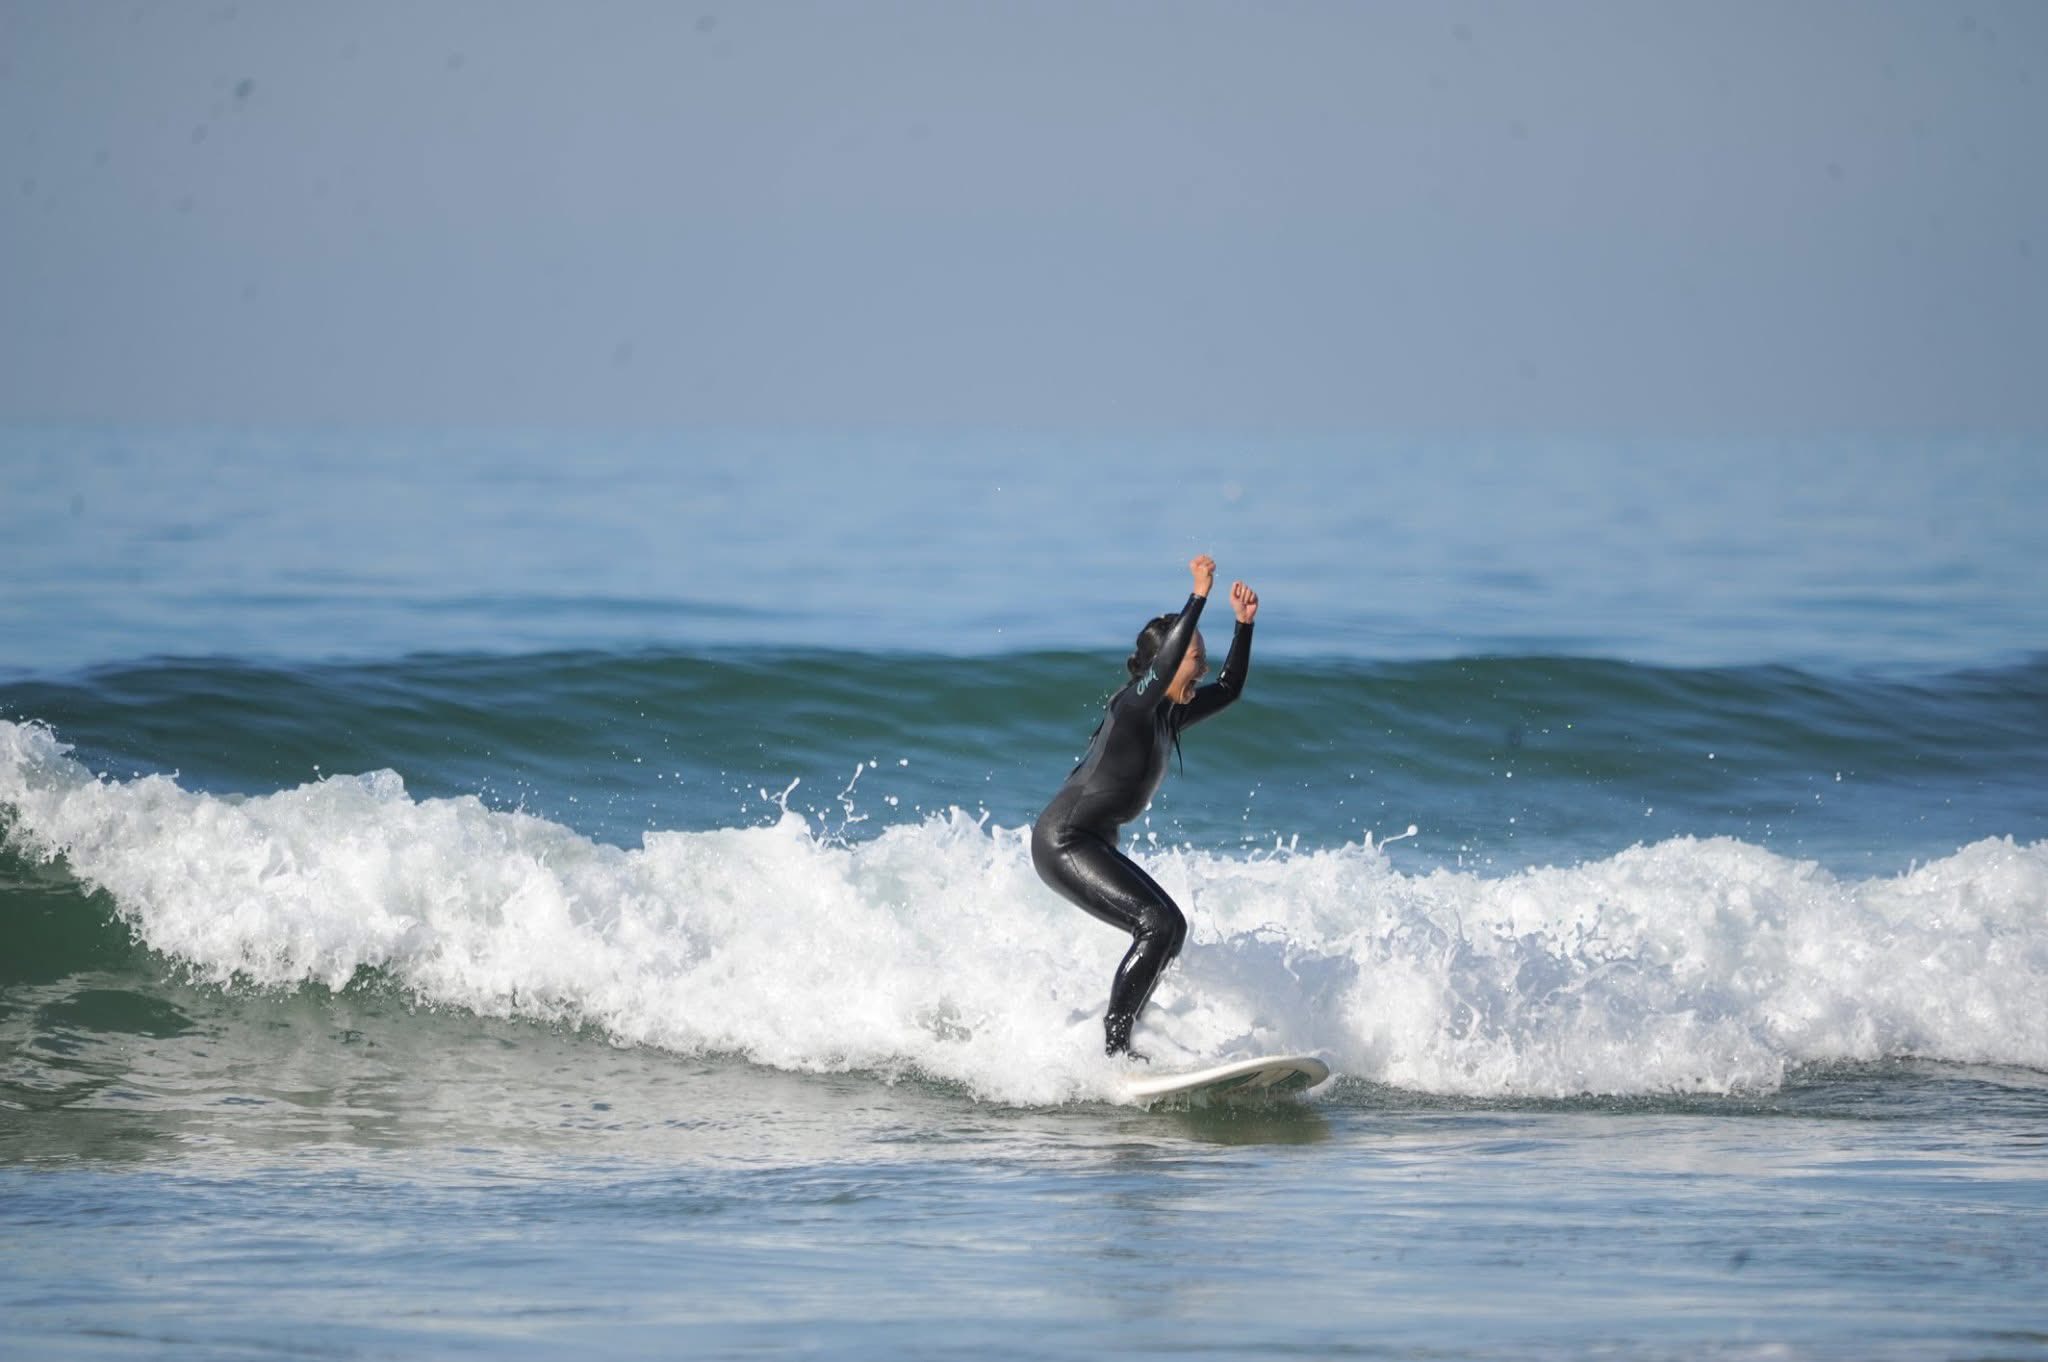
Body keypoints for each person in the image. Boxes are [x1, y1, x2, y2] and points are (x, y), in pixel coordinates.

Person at [1031, 554, 1258, 1058]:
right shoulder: (1134, 705)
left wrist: (1244, 626)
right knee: (1156, 924)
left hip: (1090, 843)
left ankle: (1128, 1035)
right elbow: (1165, 666)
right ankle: (1116, 1048)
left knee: (1170, 929)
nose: (1202, 666)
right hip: (1064, 841)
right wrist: (1198, 596)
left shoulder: (1168, 716)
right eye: (1194, 657)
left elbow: (1230, 688)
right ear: (1166, 663)